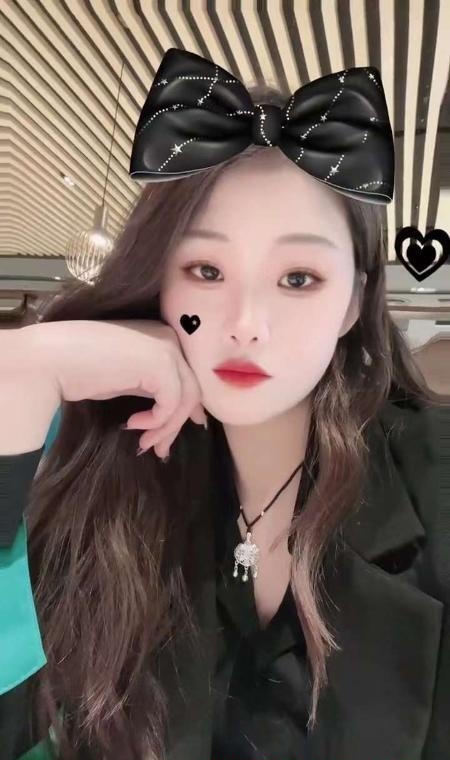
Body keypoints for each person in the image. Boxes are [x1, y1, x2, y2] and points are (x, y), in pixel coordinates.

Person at [0, 49, 448, 760]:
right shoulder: (112, 481)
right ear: (160, 283)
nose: (245, 324)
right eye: (206, 270)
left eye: (298, 278)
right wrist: (21, 372)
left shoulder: (434, 479)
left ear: (352, 303)